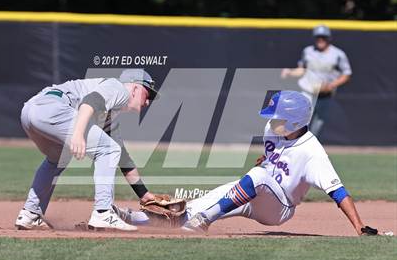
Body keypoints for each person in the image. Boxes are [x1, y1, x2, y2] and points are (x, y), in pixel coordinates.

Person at [120, 91, 379, 236]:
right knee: (198, 205)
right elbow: (276, 155)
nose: (272, 120)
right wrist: (268, 159)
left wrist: (359, 226)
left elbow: (338, 192)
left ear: (295, 122)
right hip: (257, 194)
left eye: (278, 117)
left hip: (279, 209)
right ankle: (130, 219)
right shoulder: (273, 129)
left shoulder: (313, 152)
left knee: (258, 176)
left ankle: (204, 222)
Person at [15, 69, 159, 231]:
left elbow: (123, 159)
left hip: (30, 111)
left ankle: (31, 213)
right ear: (135, 88)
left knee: (57, 159)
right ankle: (103, 212)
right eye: (148, 95)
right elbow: (90, 102)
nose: (147, 102)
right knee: (108, 149)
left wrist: (145, 196)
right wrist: (77, 134)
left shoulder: (109, 113)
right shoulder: (119, 89)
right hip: (53, 108)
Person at [281, 25, 352, 136]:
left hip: (325, 94)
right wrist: (290, 72)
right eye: (318, 37)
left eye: (323, 37)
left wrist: (332, 85)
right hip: (308, 91)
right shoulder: (308, 51)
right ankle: (293, 146)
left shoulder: (338, 54)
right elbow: (302, 70)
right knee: (301, 121)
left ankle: (309, 149)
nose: (320, 40)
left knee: (317, 125)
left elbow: (346, 74)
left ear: (329, 38)